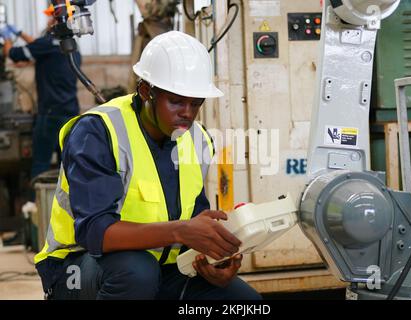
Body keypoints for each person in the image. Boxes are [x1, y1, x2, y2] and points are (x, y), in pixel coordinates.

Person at [33, 30, 262, 300]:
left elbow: (193, 218)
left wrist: (212, 258)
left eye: (196, 103)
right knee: (136, 273)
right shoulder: (98, 133)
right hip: (77, 268)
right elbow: (94, 233)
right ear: (145, 91)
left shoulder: (198, 140)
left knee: (243, 301)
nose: (187, 112)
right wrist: (181, 230)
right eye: (176, 101)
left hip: (161, 268)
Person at [0, 7, 81, 181]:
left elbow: (13, 54)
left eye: (50, 17)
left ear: (56, 19)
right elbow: (37, 48)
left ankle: (35, 205)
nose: (48, 21)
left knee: (41, 164)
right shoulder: (71, 45)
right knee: (66, 166)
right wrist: (20, 33)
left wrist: (5, 36)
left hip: (50, 114)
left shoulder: (46, 44)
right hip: (71, 113)